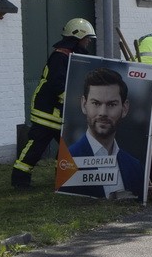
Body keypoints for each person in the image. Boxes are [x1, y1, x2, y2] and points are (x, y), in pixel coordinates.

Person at [11, 18, 96, 189]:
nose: (88, 42)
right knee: (36, 147)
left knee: (69, 147)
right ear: (78, 37)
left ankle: (63, 177)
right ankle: (20, 180)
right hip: (47, 112)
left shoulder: (75, 56)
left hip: (61, 113)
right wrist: (74, 101)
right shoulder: (60, 56)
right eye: (87, 38)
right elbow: (57, 84)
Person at [67, 67, 146, 200]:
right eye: (96, 103)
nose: (103, 112)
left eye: (111, 104)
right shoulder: (68, 159)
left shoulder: (134, 166)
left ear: (125, 108)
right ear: (84, 104)